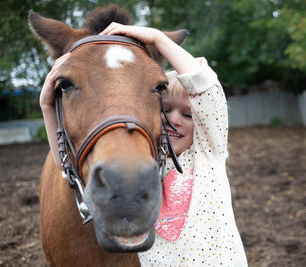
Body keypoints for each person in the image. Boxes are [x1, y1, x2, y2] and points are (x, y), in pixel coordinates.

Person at [40, 23, 248, 266]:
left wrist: (157, 39)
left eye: (188, 115)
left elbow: (205, 88)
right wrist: (46, 107)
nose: (174, 121)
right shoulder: (151, 157)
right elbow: (64, 164)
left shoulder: (209, 153)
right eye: (166, 109)